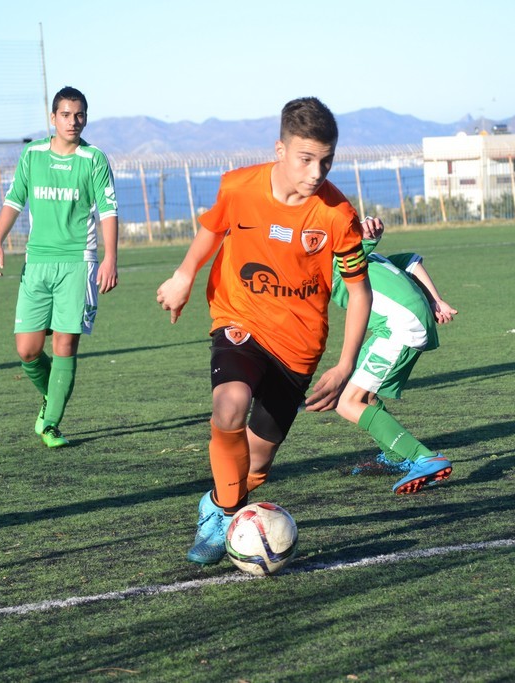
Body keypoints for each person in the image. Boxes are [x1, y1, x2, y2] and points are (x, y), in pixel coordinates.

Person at [156, 97, 373, 566]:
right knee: (229, 404)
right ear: (280, 149)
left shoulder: (337, 214)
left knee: (255, 466)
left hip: (298, 344)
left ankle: (218, 503)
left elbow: (360, 293)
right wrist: (184, 275)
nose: (317, 172)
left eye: (327, 160)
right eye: (306, 159)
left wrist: (345, 366)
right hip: (239, 317)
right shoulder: (239, 187)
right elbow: (213, 230)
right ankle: (224, 517)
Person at [0, 86, 119, 449]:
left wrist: (110, 257)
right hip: (37, 262)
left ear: (85, 118)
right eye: (65, 115)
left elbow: (108, 210)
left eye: (79, 115)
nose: (73, 121)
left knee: (64, 343)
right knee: (27, 350)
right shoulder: (32, 155)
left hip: (78, 261)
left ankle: (51, 424)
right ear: (53, 118)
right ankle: (54, 394)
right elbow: (14, 200)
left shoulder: (94, 159)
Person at [331, 220, 459, 494]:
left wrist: (366, 238)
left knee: (347, 403)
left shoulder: (335, 264)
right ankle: (395, 455)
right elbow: (412, 262)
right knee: (363, 394)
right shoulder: (374, 259)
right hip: (404, 324)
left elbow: (352, 252)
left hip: (400, 328)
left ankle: (424, 457)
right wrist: (435, 300)